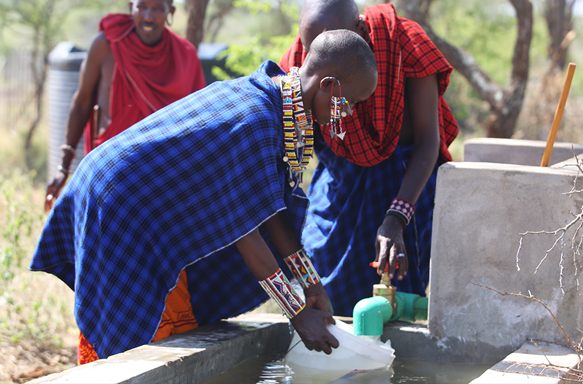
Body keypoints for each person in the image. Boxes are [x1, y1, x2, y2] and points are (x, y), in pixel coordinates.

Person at [30, 30, 378, 361]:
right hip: (121, 202)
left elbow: (269, 208)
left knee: (170, 329)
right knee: (130, 343)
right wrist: (297, 311)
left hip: (144, 204)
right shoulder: (257, 118)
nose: (350, 113)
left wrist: (310, 283)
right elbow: (245, 229)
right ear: (329, 86)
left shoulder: (274, 103)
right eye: (352, 102)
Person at [279, 0, 459, 316]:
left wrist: (396, 218)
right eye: (314, 50)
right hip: (339, 184)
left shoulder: (403, 41)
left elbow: (429, 141)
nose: (324, 64)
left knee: (396, 297)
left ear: (361, 31)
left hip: (404, 181)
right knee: (323, 287)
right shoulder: (297, 61)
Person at [44, 0, 206, 212]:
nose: (148, 17)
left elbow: (198, 121)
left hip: (163, 178)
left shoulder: (185, 55)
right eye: (142, 7)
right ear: (131, 8)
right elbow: (82, 102)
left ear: (171, 12)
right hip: (110, 172)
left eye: (157, 8)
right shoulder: (107, 44)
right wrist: (63, 167)